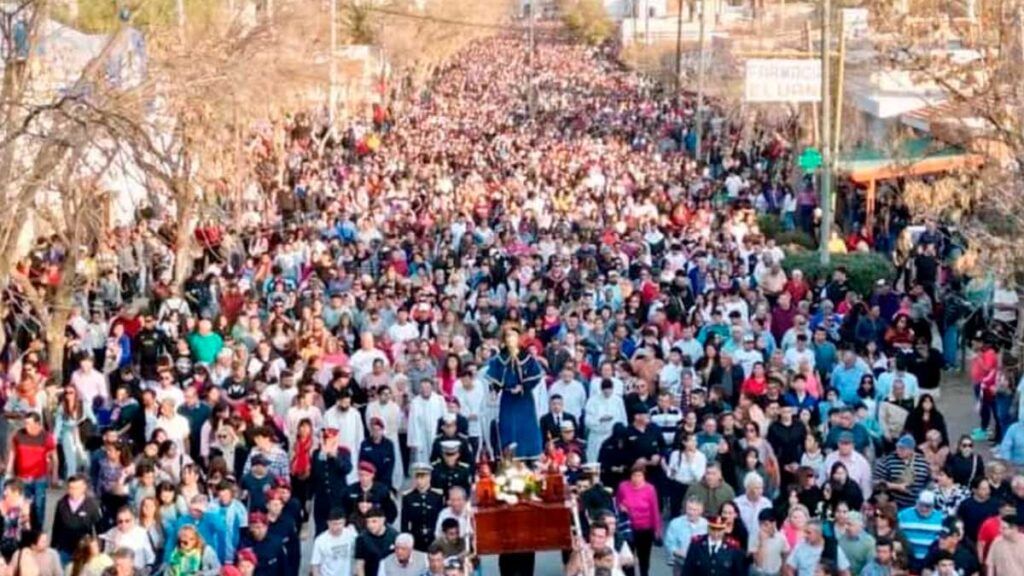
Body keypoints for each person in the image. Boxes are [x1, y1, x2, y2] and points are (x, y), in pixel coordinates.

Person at [483, 327, 545, 459]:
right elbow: (494, 378)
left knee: (526, 429)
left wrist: (523, 387)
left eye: (514, 336)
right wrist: (494, 389)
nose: (511, 339)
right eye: (508, 336)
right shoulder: (500, 358)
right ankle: (508, 456)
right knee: (508, 427)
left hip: (524, 399)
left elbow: (536, 375)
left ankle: (528, 457)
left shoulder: (527, 357)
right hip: (508, 399)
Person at [7, 413, 57, 531]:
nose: (26, 426)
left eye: (29, 423)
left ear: (38, 424)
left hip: (39, 477)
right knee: (23, 506)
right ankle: (24, 532)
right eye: (26, 423)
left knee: (39, 506)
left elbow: (54, 457)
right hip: (22, 477)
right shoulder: (19, 435)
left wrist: (54, 475)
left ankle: (38, 532)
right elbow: (13, 453)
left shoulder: (46, 437)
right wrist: (9, 472)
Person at [615, 464, 661, 576]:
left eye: (639, 475)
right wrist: (621, 507)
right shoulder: (623, 486)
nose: (636, 478)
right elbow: (617, 502)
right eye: (634, 475)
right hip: (628, 528)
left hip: (645, 529)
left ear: (644, 476)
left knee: (644, 557)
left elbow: (654, 509)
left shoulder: (650, 489)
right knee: (628, 557)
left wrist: (657, 530)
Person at [51, 474, 103, 564]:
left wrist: (99, 548)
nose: (73, 491)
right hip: (64, 549)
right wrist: (53, 547)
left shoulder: (92, 505)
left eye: (76, 488)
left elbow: (100, 529)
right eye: (70, 488)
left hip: (84, 550)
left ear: (84, 488)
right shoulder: (61, 504)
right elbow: (56, 527)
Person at [783, 520, 851, 576]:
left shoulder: (832, 548)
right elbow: (790, 568)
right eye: (804, 532)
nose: (805, 535)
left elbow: (845, 572)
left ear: (819, 533)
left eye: (808, 533)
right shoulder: (800, 546)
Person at [664, 497, 708, 573]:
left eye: (695, 510)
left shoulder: (706, 525)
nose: (691, 512)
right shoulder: (675, 523)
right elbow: (669, 543)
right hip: (681, 563)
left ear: (701, 511)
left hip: (700, 565)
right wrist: (677, 552)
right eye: (689, 509)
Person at [310, 508, 357, 576]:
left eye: (340, 523)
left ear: (344, 522)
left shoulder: (351, 535)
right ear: (328, 523)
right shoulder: (320, 540)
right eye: (334, 524)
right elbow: (315, 565)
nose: (338, 527)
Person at [354, 507, 397, 576]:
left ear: (383, 520)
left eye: (374, 521)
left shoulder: (394, 536)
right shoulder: (361, 539)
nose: (370, 525)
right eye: (368, 522)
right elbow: (359, 565)